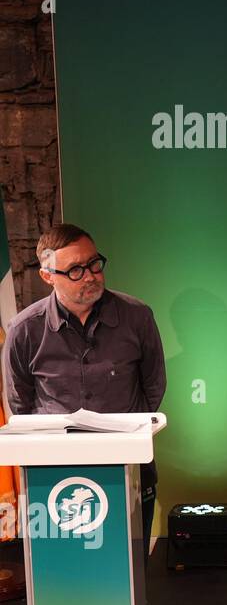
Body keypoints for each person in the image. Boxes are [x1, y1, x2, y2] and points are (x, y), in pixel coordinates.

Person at [2, 223, 166, 538]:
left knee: (131, 575)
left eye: (93, 263)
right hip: (52, 481)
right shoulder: (24, 330)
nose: (90, 275)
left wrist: (127, 433)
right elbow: (19, 407)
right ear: (48, 276)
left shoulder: (137, 317)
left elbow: (153, 385)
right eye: (75, 270)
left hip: (128, 470)